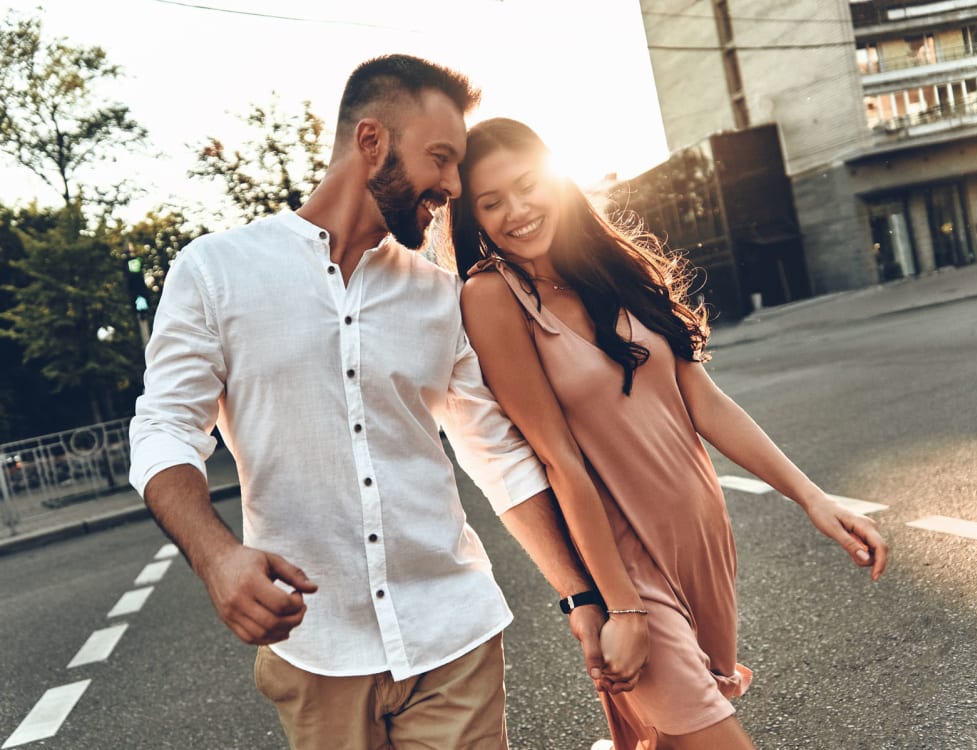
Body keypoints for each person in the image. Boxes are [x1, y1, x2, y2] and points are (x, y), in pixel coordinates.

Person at [129, 56, 633, 750]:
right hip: (317, 652)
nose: (453, 186)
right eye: (441, 159)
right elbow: (164, 431)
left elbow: (498, 457)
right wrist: (217, 557)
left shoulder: (437, 294)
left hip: (452, 635)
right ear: (372, 144)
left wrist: (580, 595)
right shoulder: (216, 272)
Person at [446, 117, 890, 750]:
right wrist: (618, 605)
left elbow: (704, 403)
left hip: (700, 541)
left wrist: (814, 498)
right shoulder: (491, 298)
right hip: (625, 559)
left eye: (526, 185)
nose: (516, 210)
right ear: (475, 219)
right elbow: (559, 461)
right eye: (492, 203)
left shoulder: (613, 270)